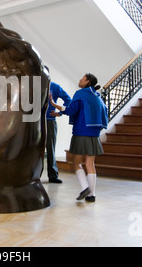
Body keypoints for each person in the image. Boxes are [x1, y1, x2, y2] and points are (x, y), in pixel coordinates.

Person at [51, 73, 108, 202]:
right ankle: (91, 195)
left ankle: (84, 187)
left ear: (87, 81)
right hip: (94, 135)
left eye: (82, 78)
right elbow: (102, 112)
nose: (80, 80)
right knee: (90, 163)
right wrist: (59, 112)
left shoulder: (80, 94)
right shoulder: (97, 97)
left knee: (77, 163)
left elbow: (72, 110)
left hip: (81, 132)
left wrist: (55, 105)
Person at [44, 66, 71, 184]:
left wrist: (59, 112)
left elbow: (68, 100)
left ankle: (53, 176)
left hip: (50, 121)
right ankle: (33, 177)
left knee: (50, 149)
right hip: (35, 122)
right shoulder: (33, 86)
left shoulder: (54, 87)